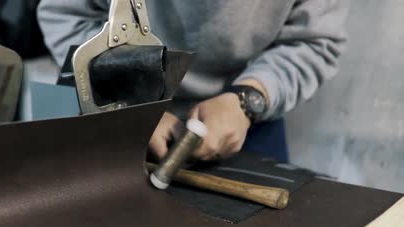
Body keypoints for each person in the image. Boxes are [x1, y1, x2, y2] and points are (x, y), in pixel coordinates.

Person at [37, 0, 350, 163]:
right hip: (118, 101)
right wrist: (131, 105)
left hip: (238, 107)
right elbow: (65, 15)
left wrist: (248, 99)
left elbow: (314, 41)